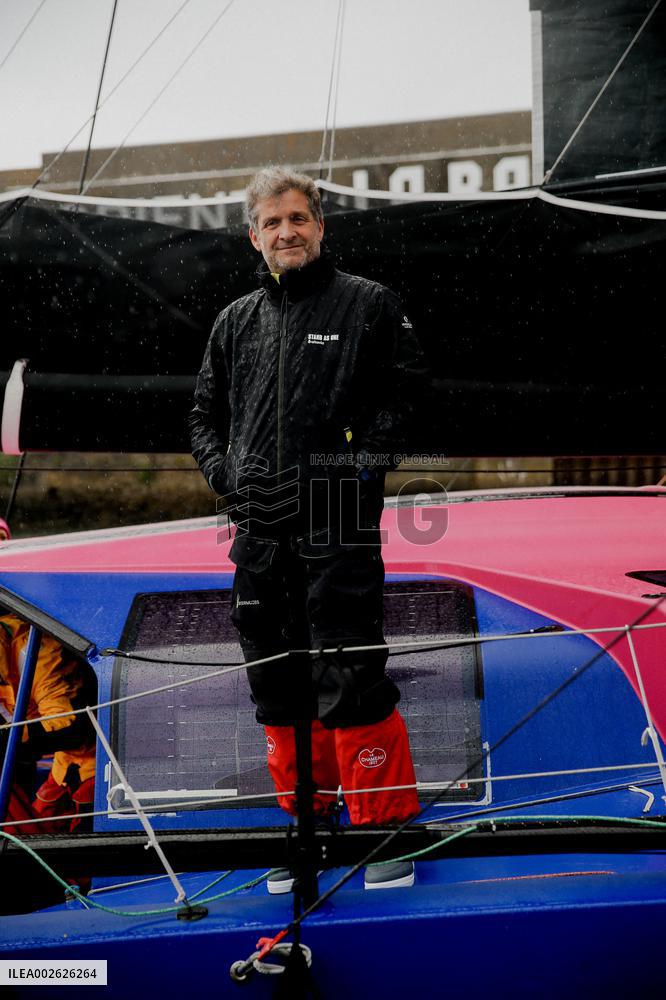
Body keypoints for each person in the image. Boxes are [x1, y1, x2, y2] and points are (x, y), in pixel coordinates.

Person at [189, 167, 424, 890]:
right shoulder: (234, 321)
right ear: (253, 235)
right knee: (277, 682)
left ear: (320, 226)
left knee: (349, 672)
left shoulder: (369, 305)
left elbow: (406, 410)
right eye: (271, 222)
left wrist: (339, 474)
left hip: (338, 531)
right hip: (259, 533)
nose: (286, 232)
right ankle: (306, 834)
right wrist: (230, 480)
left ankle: (384, 837)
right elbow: (203, 420)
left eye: (298, 218)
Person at [0, 613, 97, 836]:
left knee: (77, 843)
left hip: (99, 761)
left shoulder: (37, 650)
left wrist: (9, 741)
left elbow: (69, 725)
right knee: (34, 826)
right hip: (63, 764)